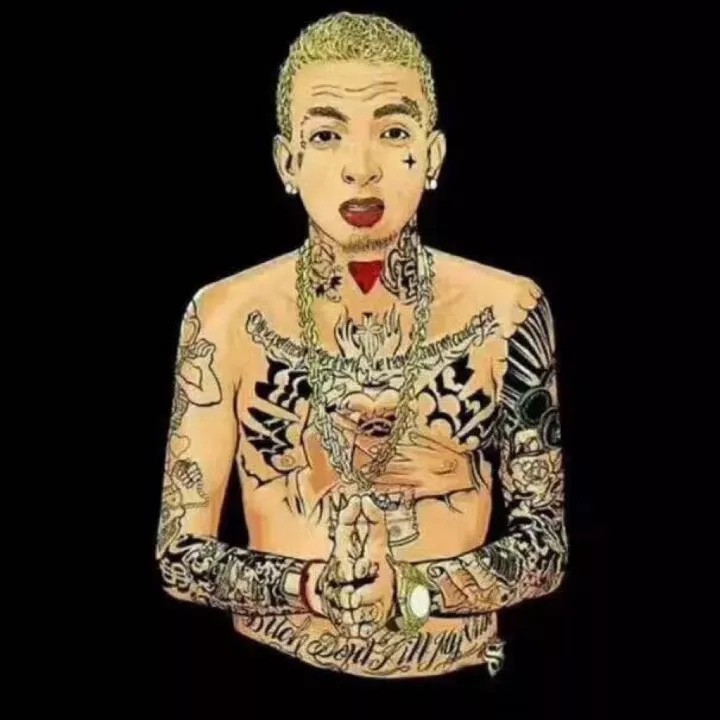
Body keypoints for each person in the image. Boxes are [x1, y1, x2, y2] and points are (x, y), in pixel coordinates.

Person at [155, 11, 568, 681]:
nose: (361, 169)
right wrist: (312, 589)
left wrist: (413, 590)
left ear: (432, 156)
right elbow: (179, 553)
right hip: (269, 677)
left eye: (393, 131)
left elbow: (545, 547)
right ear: (288, 162)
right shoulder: (224, 318)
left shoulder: (507, 310)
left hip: (460, 677)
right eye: (327, 135)